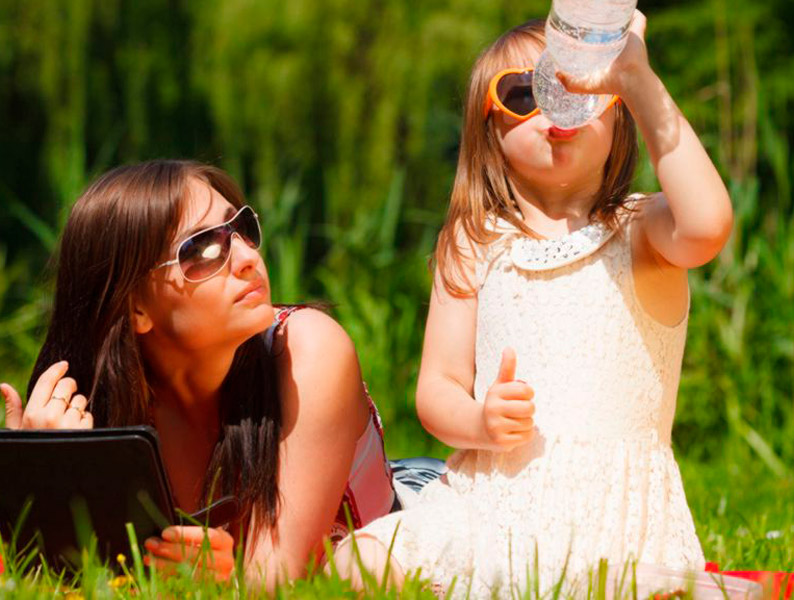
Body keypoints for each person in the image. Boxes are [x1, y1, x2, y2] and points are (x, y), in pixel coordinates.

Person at [334, 12, 733, 595]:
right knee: (358, 563)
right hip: (489, 506)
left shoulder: (642, 231)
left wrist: (639, 81)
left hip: (615, 523)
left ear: (616, 111)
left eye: (580, 85)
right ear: (488, 127)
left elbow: (709, 223)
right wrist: (479, 420)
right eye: (525, 92)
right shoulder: (475, 242)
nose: (557, 103)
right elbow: (437, 387)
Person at [0, 160, 400, 588]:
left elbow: (272, 583)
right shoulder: (96, 405)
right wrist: (47, 478)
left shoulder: (310, 352)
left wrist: (228, 579)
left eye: (242, 229)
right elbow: (57, 579)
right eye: (203, 249)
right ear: (136, 307)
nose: (248, 257)